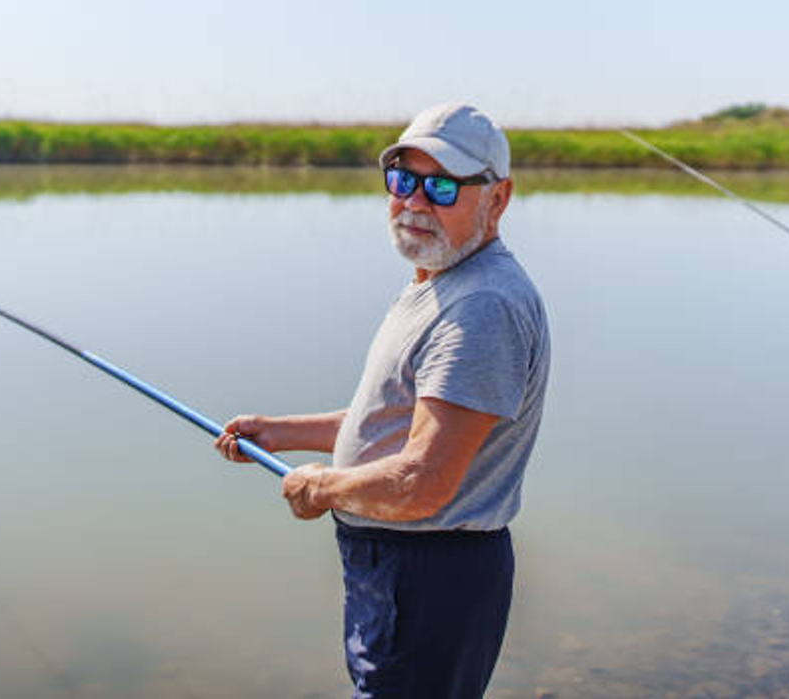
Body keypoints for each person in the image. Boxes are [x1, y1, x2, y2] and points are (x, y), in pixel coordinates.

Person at [214, 102, 551, 699]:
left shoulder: (479, 307)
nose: (416, 202)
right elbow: (401, 425)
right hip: (404, 569)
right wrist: (279, 432)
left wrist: (320, 488)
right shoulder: (440, 281)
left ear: (497, 199)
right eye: (404, 181)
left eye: (443, 186)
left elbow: (423, 479)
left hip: (428, 577)